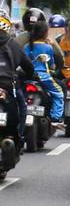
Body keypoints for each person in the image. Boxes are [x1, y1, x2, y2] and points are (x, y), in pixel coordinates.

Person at [0, 13, 35, 145]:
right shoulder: (14, 45)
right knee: (22, 106)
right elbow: (28, 66)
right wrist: (31, 75)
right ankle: (19, 136)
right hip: (9, 85)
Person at [24, 22, 65, 128]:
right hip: (44, 77)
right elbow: (52, 65)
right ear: (46, 33)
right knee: (59, 93)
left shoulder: (27, 47)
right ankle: (56, 118)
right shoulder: (48, 48)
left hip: (28, 77)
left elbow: (23, 62)